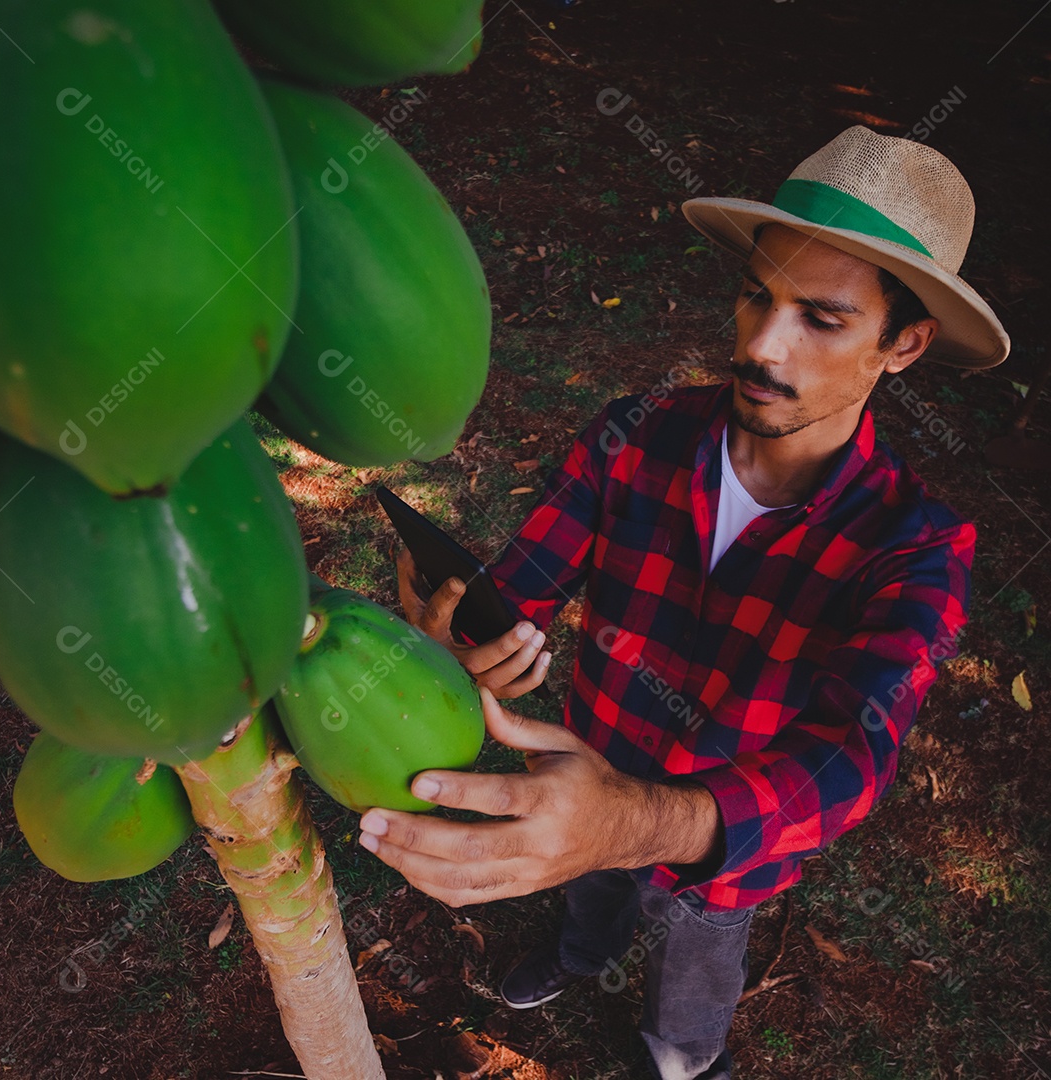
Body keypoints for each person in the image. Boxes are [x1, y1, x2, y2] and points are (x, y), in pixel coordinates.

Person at [356, 126, 1009, 1079]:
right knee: (589, 902)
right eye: (757, 294)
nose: (759, 343)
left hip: (729, 849)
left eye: (819, 318)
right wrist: (458, 620)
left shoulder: (917, 546)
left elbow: (849, 760)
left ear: (903, 344)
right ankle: (578, 959)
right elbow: (527, 578)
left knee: (690, 979)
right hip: (591, 761)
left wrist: (640, 821)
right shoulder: (637, 432)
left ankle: (683, 1058)